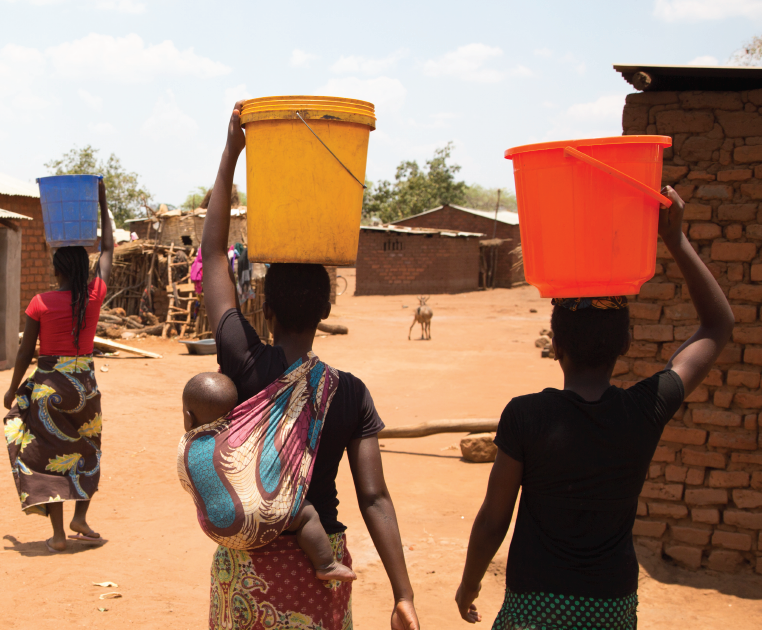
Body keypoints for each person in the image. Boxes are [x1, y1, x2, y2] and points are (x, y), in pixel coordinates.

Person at [454, 187, 734, 629]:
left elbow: (494, 519)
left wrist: (469, 583)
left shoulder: (525, 416)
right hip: (609, 606)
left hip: (533, 606)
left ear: (556, 345)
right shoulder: (645, 408)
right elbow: (718, 325)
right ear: (625, 344)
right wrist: (675, 239)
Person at [198, 101, 419, 630]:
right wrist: (403, 594)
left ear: (265, 309)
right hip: (320, 572)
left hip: (248, 562)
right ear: (326, 311)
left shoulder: (242, 359)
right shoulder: (351, 394)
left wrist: (232, 154)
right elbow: (375, 497)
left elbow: (211, 256)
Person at [2, 179, 114, 553]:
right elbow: (109, 247)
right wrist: (101, 200)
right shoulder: (94, 294)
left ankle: (59, 534)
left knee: (45, 456)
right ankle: (81, 515)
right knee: (88, 448)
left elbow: (24, 353)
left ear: (56, 268)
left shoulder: (40, 302)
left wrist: (11, 387)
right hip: (84, 386)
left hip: (49, 386)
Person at [181, 372, 356, 582]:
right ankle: (325, 564)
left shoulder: (187, 446)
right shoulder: (247, 437)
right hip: (265, 522)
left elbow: (187, 482)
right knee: (306, 514)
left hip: (217, 529)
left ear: (188, 417)